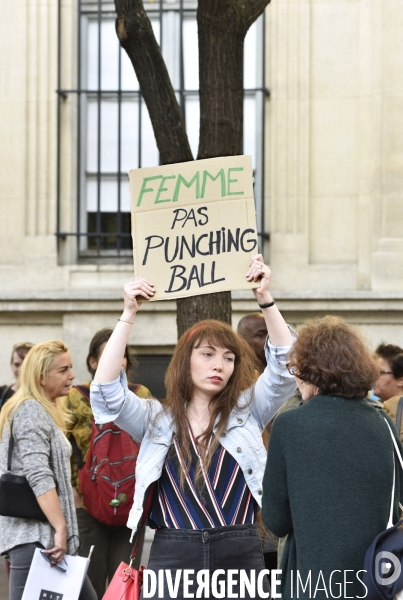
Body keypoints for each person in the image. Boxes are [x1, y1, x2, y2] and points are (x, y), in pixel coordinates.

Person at [90, 254, 296, 599]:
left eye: (228, 358)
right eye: (208, 354)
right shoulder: (156, 419)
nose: (220, 365)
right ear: (186, 362)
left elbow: (284, 369)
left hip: (239, 549)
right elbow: (107, 393)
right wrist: (128, 313)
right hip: (174, 551)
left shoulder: (247, 411)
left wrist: (265, 299)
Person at [262, 316, 403, 600]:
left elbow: (275, 520)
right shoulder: (382, 423)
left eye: (296, 370)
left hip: (313, 580)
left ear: (309, 372)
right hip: (375, 578)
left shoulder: (290, 425)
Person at [0, 341, 97, 600]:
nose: (72, 375)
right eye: (63, 369)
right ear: (42, 377)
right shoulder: (31, 409)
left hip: (44, 540)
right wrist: (60, 529)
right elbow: (38, 474)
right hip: (37, 541)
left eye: (71, 367)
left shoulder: (42, 409)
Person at [66, 328, 152, 599]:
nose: (119, 360)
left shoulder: (141, 393)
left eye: (123, 354)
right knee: (87, 584)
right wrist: (74, 496)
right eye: (109, 354)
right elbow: (68, 452)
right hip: (87, 504)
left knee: (124, 582)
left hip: (130, 506)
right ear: (93, 362)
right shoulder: (75, 398)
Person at [0, 343, 34, 409]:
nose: (21, 370)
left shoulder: (40, 396)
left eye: (26, 365)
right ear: (11, 365)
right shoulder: (2, 393)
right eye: (17, 364)